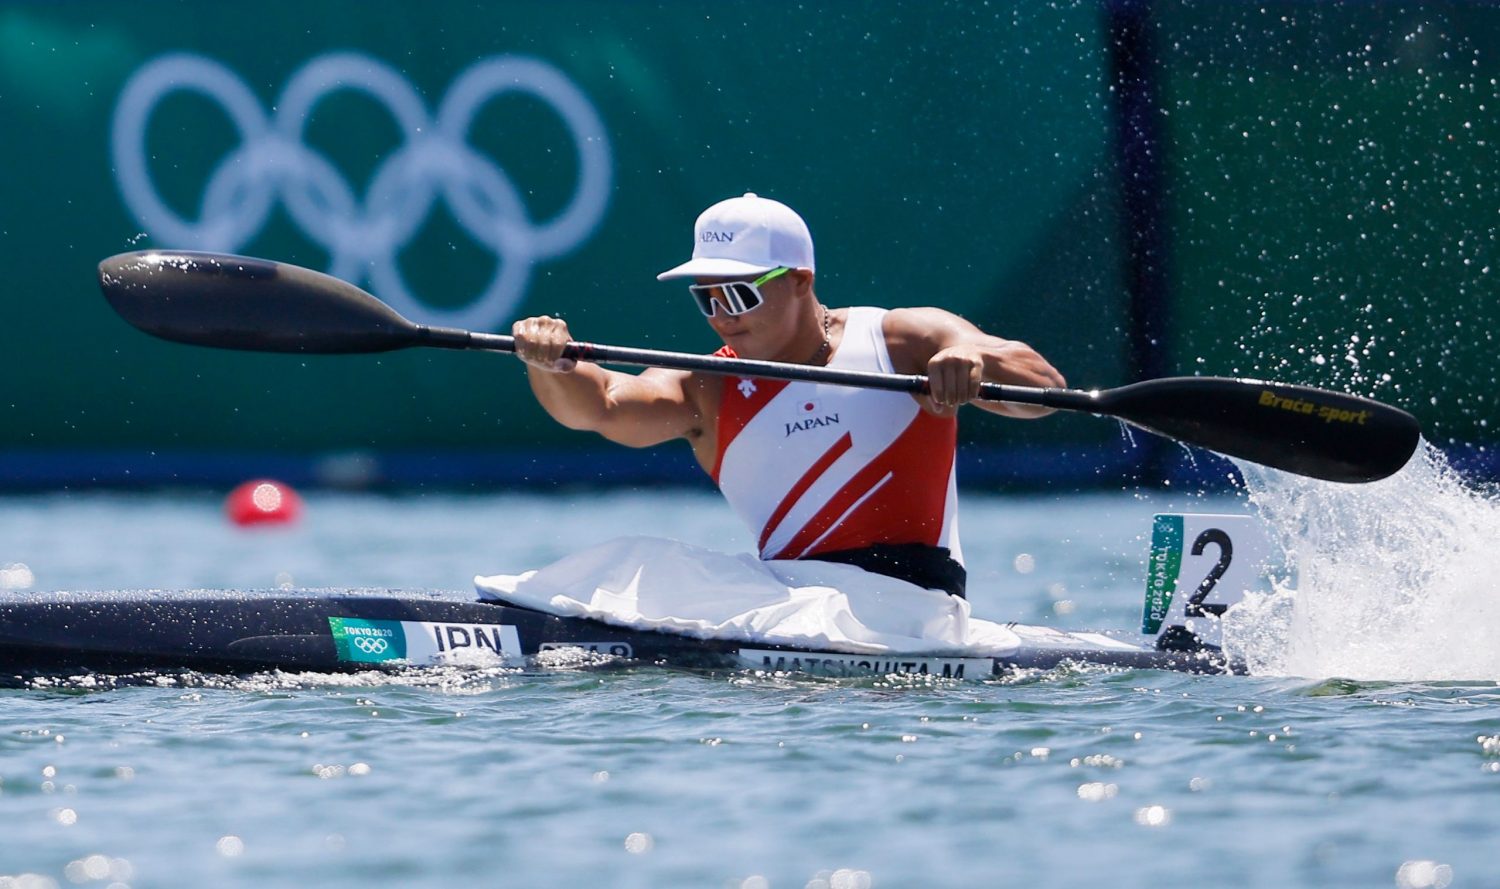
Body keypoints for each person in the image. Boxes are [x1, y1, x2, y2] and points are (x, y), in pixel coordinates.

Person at [511, 192, 1065, 599]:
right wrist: (554, 365)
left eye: (738, 293)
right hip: (788, 603)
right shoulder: (707, 386)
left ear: (800, 280)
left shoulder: (901, 340)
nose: (723, 316)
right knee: (635, 562)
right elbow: (603, 402)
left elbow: (1044, 389)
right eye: (706, 298)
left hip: (913, 604)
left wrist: (971, 362)